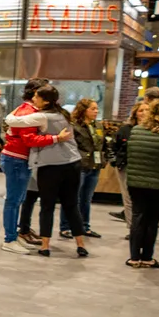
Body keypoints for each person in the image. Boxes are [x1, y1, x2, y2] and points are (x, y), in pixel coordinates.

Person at [19, 85, 89, 258]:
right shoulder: (64, 114)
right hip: (73, 163)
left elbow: (13, 120)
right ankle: (81, 245)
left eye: (36, 97)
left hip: (50, 166)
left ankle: (45, 246)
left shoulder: (41, 116)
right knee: (72, 205)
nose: (33, 100)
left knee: (47, 206)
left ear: (46, 101)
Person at [0, 78, 68, 252]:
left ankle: (14, 236)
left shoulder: (30, 110)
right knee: (13, 201)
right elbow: (29, 139)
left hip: (20, 159)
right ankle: (9, 240)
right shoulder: (28, 111)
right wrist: (56, 138)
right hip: (16, 158)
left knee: (18, 200)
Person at [124, 96, 159, 269]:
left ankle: (134, 257)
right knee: (152, 220)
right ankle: (148, 257)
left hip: (136, 182)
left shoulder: (136, 131)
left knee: (138, 217)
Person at [60, 97, 103, 240]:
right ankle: (65, 227)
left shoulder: (98, 126)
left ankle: (85, 226)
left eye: (97, 108)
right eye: (93, 109)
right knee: (72, 197)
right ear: (84, 110)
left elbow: (102, 144)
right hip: (79, 166)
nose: (96, 111)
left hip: (94, 166)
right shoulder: (74, 126)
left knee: (86, 198)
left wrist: (105, 158)